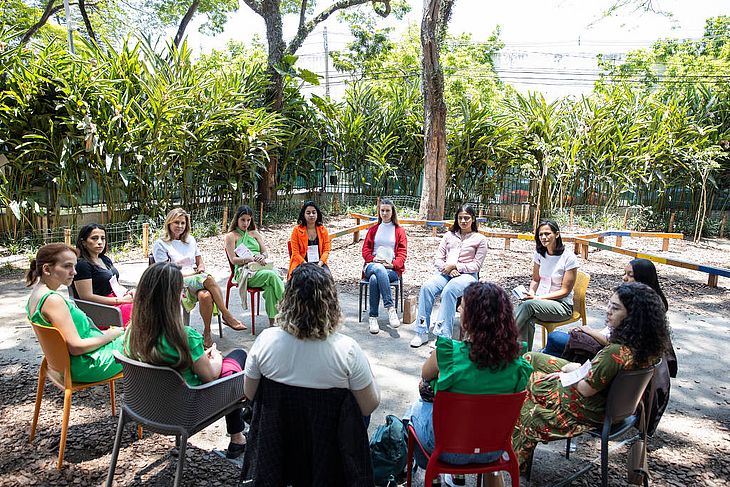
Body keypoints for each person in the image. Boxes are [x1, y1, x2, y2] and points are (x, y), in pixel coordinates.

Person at [512, 282, 670, 469]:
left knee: (529, 382)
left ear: (633, 317)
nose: (609, 311)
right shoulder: (646, 347)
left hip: (589, 408)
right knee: (531, 359)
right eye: (609, 304)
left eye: (616, 308)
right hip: (608, 398)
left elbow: (585, 389)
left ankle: (514, 456)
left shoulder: (616, 352)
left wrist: (571, 371)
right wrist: (579, 369)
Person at [406, 282, 533, 487]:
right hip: (494, 450)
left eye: (462, 306)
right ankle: (458, 477)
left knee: (413, 411)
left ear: (473, 318)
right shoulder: (518, 364)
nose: (458, 310)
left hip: (448, 450)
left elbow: (425, 376)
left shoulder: (447, 354)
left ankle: (436, 475)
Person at [124, 262, 248, 459]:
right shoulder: (184, 336)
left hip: (145, 407)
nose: (183, 295)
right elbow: (210, 376)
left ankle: (241, 427)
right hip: (187, 408)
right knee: (238, 358)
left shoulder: (133, 331)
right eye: (180, 290)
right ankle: (238, 436)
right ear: (170, 297)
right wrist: (216, 356)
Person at [244, 263, 379, 417]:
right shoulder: (348, 351)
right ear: (331, 303)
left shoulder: (265, 341)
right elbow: (369, 406)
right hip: (331, 438)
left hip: (276, 437)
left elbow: (249, 393)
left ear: (287, 300)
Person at [26, 243, 124, 383]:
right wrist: (109, 336)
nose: (74, 272)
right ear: (47, 269)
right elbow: (76, 347)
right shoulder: (53, 300)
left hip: (72, 364)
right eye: (67, 266)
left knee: (139, 336)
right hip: (87, 365)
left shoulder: (36, 294)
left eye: (74, 266)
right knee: (143, 338)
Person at [153, 208, 244, 348]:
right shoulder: (161, 243)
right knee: (208, 279)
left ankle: (207, 334)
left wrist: (200, 267)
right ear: (169, 223)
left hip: (196, 279)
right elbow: (165, 271)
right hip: (175, 280)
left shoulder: (190, 240)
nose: (180, 226)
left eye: (183, 223)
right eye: (176, 222)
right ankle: (227, 315)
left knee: (205, 295)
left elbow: (200, 260)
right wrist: (194, 274)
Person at [542, 258, 668, 358]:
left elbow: (616, 343)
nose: (624, 278)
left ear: (643, 278)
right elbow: (612, 331)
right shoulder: (633, 297)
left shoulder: (642, 307)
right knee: (554, 345)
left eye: (630, 275)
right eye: (624, 273)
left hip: (605, 349)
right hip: (603, 340)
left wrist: (589, 332)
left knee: (555, 338)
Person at [411, 204, 487, 348]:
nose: (463, 221)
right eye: (460, 218)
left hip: (468, 276)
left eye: (467, 218)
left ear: (473, 219)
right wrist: (448, 269)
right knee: (427, 287)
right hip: (446, 272)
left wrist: (456, 267)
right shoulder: (449, 235)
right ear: (456, 219)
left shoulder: (480, 239)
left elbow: (476, 265)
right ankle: (421, 332)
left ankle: (443, 336)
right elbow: (438, 259)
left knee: (450, 290)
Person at [514, 220, 578, 351]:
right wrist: (531, 292)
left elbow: (565, 291)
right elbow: (536, 279)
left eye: (547, 234)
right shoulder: (539, 253)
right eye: (540, 234)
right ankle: (523, 357)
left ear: (557, 234)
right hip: (540, 303)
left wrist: (538, 299)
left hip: (562, 306)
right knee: (527, 317)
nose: (543, 237)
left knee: (527, 306)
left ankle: (501, 337)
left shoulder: (568, 257)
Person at [224, 205, 285, 326]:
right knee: (271, 275)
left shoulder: (255, 233)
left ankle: (273, 323)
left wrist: (262, 256)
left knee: (269, 288)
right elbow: (233, 260)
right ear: (237, 219)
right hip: (245, 271)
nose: (245, 223)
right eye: (243, 220)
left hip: (261, 267)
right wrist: (249, 259)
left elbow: (265, 252)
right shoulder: (231, 236)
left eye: (248, 220)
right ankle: (289, 305)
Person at [72, 223, 134, 327]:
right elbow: (86, 296)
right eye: (94, 238)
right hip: (102, 309)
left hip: (116, 300)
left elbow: (114, 284)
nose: (100, 242)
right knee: (142, 310)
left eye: (103, 238)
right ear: (83, 242)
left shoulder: (105, 259)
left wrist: (130, 292)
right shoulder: (82, 265)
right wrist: (120, 300)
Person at [362, 198, 408, 334]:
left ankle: (373, 317)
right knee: (377, 269)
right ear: (379, 212)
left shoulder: (399, 231)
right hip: (372, 265)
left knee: (375, 279)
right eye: (382, 210)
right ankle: (390, 307)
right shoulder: (373, 229)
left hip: (391, 269)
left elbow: (402, 253)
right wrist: (374, 259)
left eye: (387, 210)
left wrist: (392, 264)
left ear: (392, 212)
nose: (385, 213)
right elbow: (365, 251)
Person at [288, 201, 331, 278]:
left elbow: (326, 251)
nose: (311, 215)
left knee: (327, 278)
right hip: (301, 263)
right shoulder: (296, 230)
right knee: (299, 280)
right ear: (303, 215)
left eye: (314, 212)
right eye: (308, 213)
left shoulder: (323, 230)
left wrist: (319, 265)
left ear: (317, 214)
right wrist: (307, 265)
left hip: (319, 263)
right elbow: (295, 253)